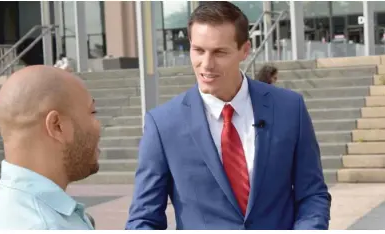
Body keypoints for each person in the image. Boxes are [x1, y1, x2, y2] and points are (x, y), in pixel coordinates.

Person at [126, 1, 331, 230]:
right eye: (198, 50)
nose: (206, 64)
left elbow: (312, 195)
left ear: (245, 50)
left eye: (219, 52)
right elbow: (143, 219)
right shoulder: (163, 124)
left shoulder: (290, 108)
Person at [0, 65, 101, 230]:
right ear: (57, 126)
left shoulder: (7, 208)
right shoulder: (44, 226)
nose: (98, 126)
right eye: (92, 112)